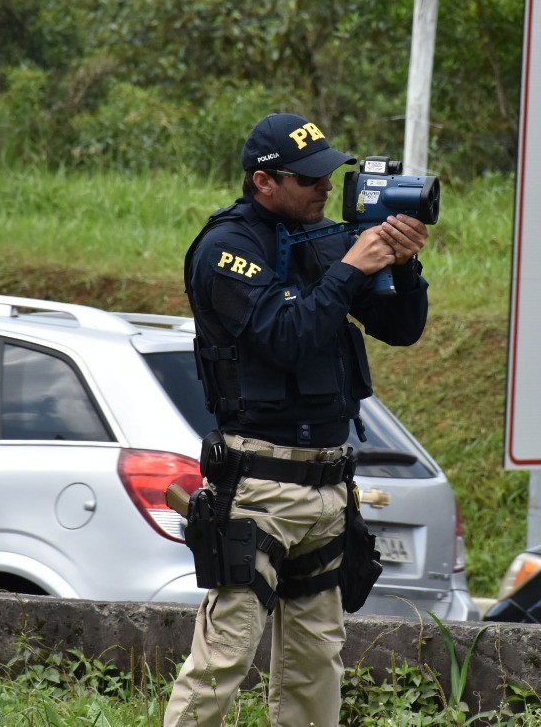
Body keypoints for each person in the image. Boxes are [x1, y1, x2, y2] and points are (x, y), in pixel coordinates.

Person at [163, 113, 429, 726]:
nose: (325, 187)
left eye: (328, 175)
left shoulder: (327, 239)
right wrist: (351, 268)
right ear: (264, 182)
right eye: (308, 179)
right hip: (259, 486)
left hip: (328, 486)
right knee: (223, 659)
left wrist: (402, 263)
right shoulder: (227, 249)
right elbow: (285, 337)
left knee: (315, 669)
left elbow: (402, 329)